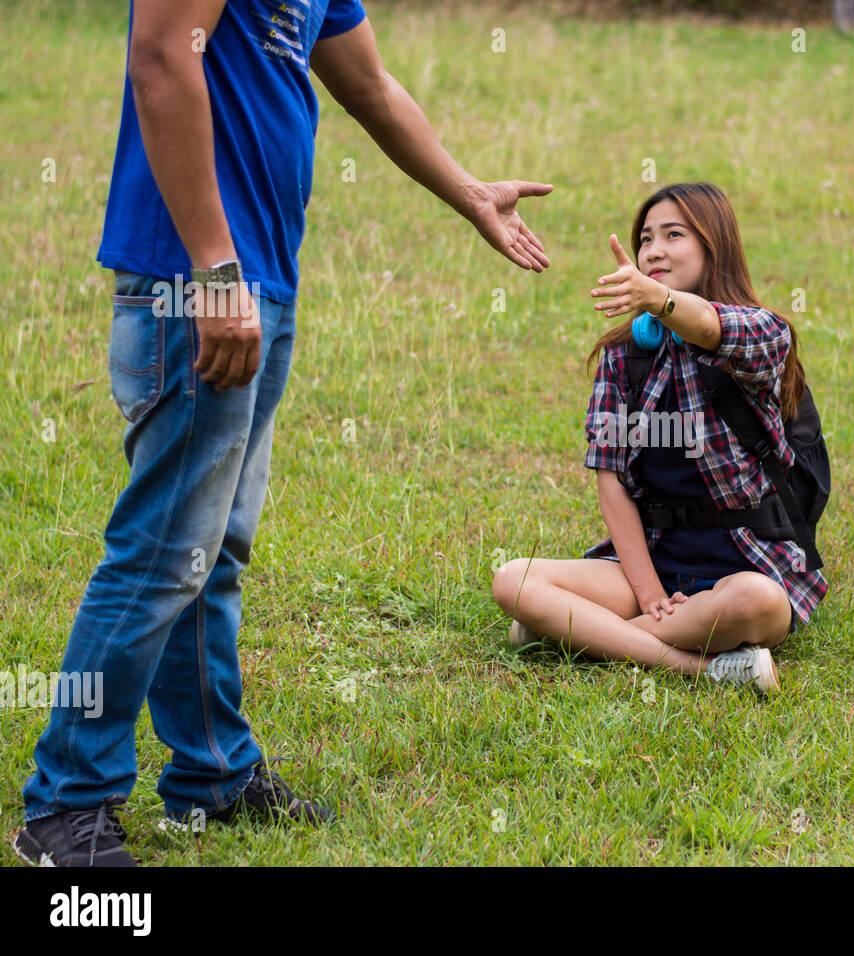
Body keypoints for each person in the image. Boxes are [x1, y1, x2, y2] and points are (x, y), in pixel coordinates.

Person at [15, 0, 552, 868]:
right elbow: (159, 56)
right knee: (161, 554)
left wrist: (470, 193)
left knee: (211, 549)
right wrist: (216, 272)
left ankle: (212, 774)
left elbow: (370, 85)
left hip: (261, 285)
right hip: (196, 282)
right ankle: (64, 805)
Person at [492, 182, 827, 693]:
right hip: (654, 557)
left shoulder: (762, 333)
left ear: (715, 245)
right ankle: (702, 668)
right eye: (646, 238)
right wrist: (648, 592)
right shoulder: (624, 355)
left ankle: (575, 634)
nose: (654, 250)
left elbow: (713, 327)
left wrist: (663, 300)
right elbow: (610, 478)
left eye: (674, 234)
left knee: (755, 603)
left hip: (745, 560)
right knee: (513, 580)